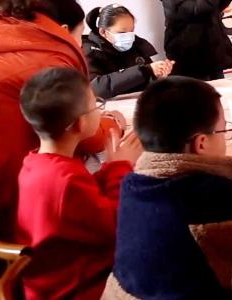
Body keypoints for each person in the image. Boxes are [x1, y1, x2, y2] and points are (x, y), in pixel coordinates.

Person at [104, 78, 232, 299]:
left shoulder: (133, 184)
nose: (225, 138)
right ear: (202, 143)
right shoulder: (206, 194)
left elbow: (226, 221)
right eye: (224, 130)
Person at [16, 68, 143, 300]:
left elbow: (87, 203)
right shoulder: (66, 181)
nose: (100, 111)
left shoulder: (35, 162)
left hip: (51, 280)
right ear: (80, 124)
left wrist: (110, 167)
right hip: (77, 288)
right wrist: (121, 167)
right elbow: (119, 224)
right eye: (96, 106)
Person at [0, 0, 87, 220]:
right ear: (64, 30)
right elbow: (78, 130)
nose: (80, 44)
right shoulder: (51, 58)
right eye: (81, 36)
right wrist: (113, 124)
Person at [83, 4, 172, 99]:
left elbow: (144, 79)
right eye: (122, 32)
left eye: (131, 31)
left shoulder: (136, 44)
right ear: (103, 32)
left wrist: (157, 76)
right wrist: (146, 70)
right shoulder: (90, 51)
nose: (128, 37)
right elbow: (95, 88)